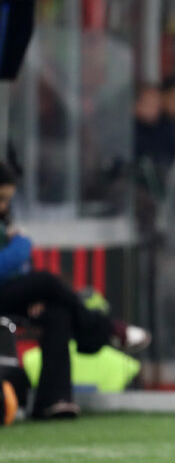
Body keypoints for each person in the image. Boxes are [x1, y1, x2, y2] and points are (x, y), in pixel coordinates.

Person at [0, 162, 150, 419]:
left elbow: (19, 270)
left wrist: (32, 295)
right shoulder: (14, 236)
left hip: (9, 294)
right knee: (47, 281)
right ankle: (105, 328)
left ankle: (53, 401)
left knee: (56, 312)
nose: (4, 206)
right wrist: (22, 243)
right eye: (1, 198)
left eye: (7, 200)